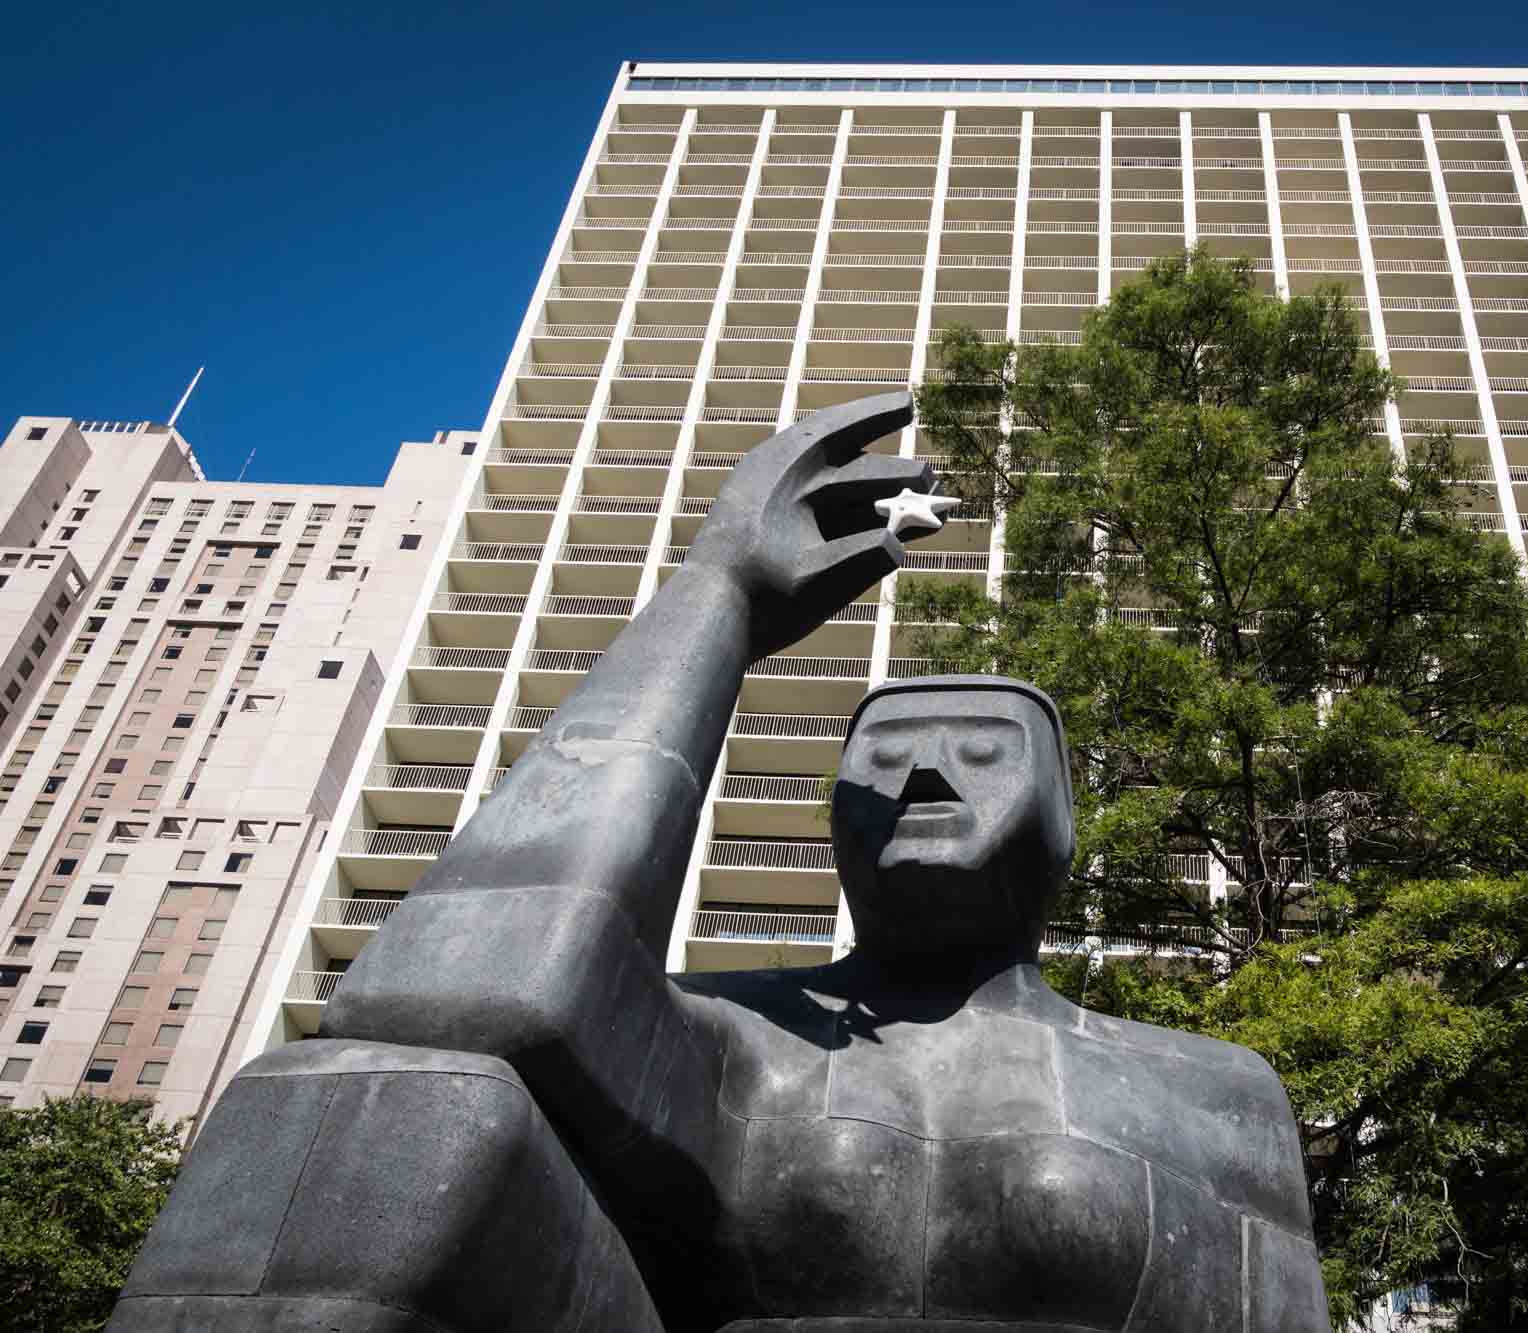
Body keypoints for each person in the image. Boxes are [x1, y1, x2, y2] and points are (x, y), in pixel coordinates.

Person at [110, 392, 1329, 1332]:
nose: (921, 773)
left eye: (979, 749)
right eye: (886, 750)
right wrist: (719, 596)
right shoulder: (722, 1035)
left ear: (1066, 824)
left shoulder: (1213, 1087)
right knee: (395, 1091)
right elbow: (461, 989)